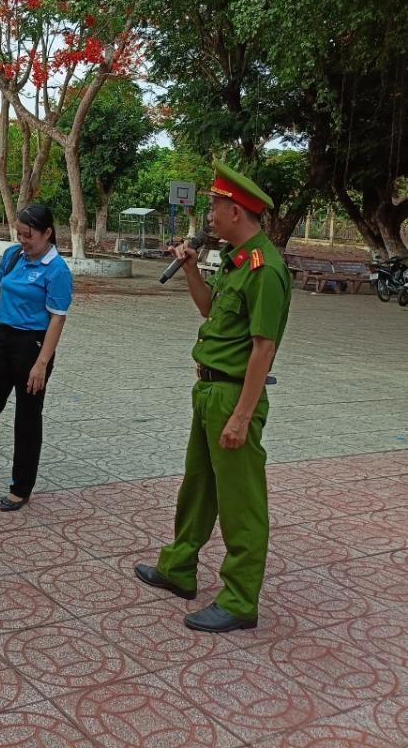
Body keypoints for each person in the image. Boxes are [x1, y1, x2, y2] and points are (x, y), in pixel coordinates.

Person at [134, 164, 292, 633]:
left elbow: (264, 348)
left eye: (216, 207)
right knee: (197, 487)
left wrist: (242, 416)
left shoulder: (266, 270)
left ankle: (241, 600)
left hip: (233, 394)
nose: (210, 215)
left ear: (237, 211)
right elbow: (208, 309)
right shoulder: (236, 260)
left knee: (241, 502)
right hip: (208, 388)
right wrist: (189, 269)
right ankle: (179, 568)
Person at [0, 204, 72, 512]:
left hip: (33, 346)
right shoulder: (12, 256)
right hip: (4, 339)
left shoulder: (57, 270)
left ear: (47, 233)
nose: (22, 239)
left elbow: (57, 320)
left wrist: (41, 364)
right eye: (18, 233)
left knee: (27, 419)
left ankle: (21, 487)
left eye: (28, 234)